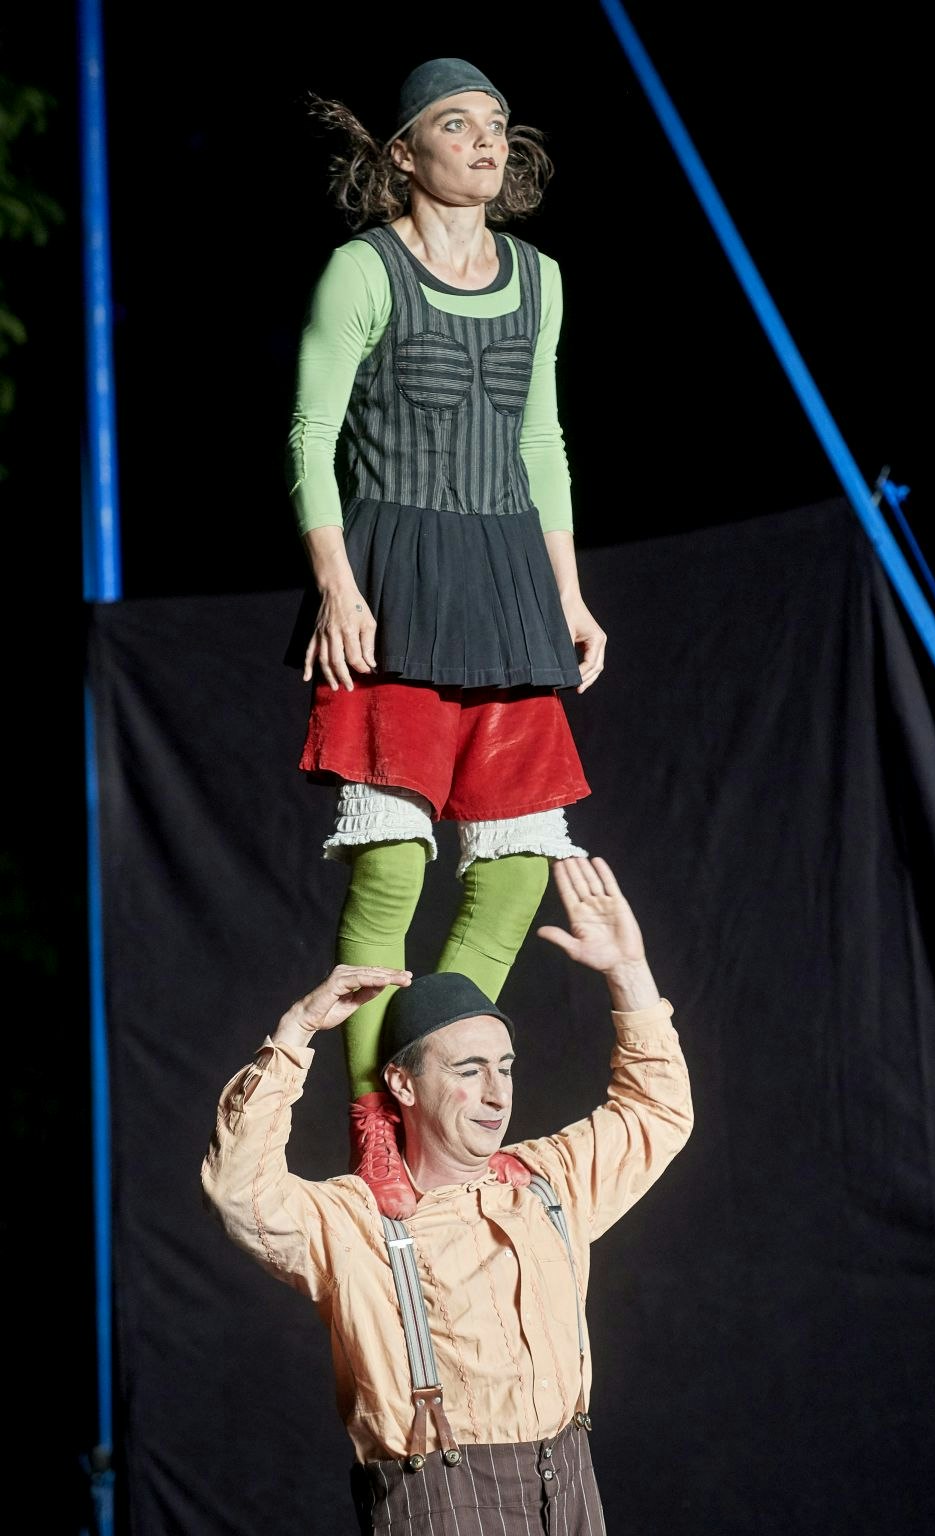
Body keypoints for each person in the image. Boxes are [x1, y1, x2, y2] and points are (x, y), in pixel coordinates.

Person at [284, 56, 607, 1218]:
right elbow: (311, 431)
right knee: (393, 866)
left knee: (516, 871)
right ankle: (376, 1125)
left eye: (497, 125)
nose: (484, 141)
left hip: (506, 583)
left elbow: (541, 443)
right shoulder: (364, 271)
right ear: (404, 152)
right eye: (457, 124)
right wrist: (336, 585)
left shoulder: (538, 279)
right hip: (398, 583)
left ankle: (441, 1097)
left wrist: (568, 595)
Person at [202, 856, 693, 1534]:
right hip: (442, 1505)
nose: (497, 1094)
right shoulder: (356, 1222)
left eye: (505, 1068)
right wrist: (294, 1036)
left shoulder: (549, 1182)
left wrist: (628, 971)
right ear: (404, 1085)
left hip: (574, 1488)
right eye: (469, 1070)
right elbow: (238, 1193)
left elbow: (658, 1111)